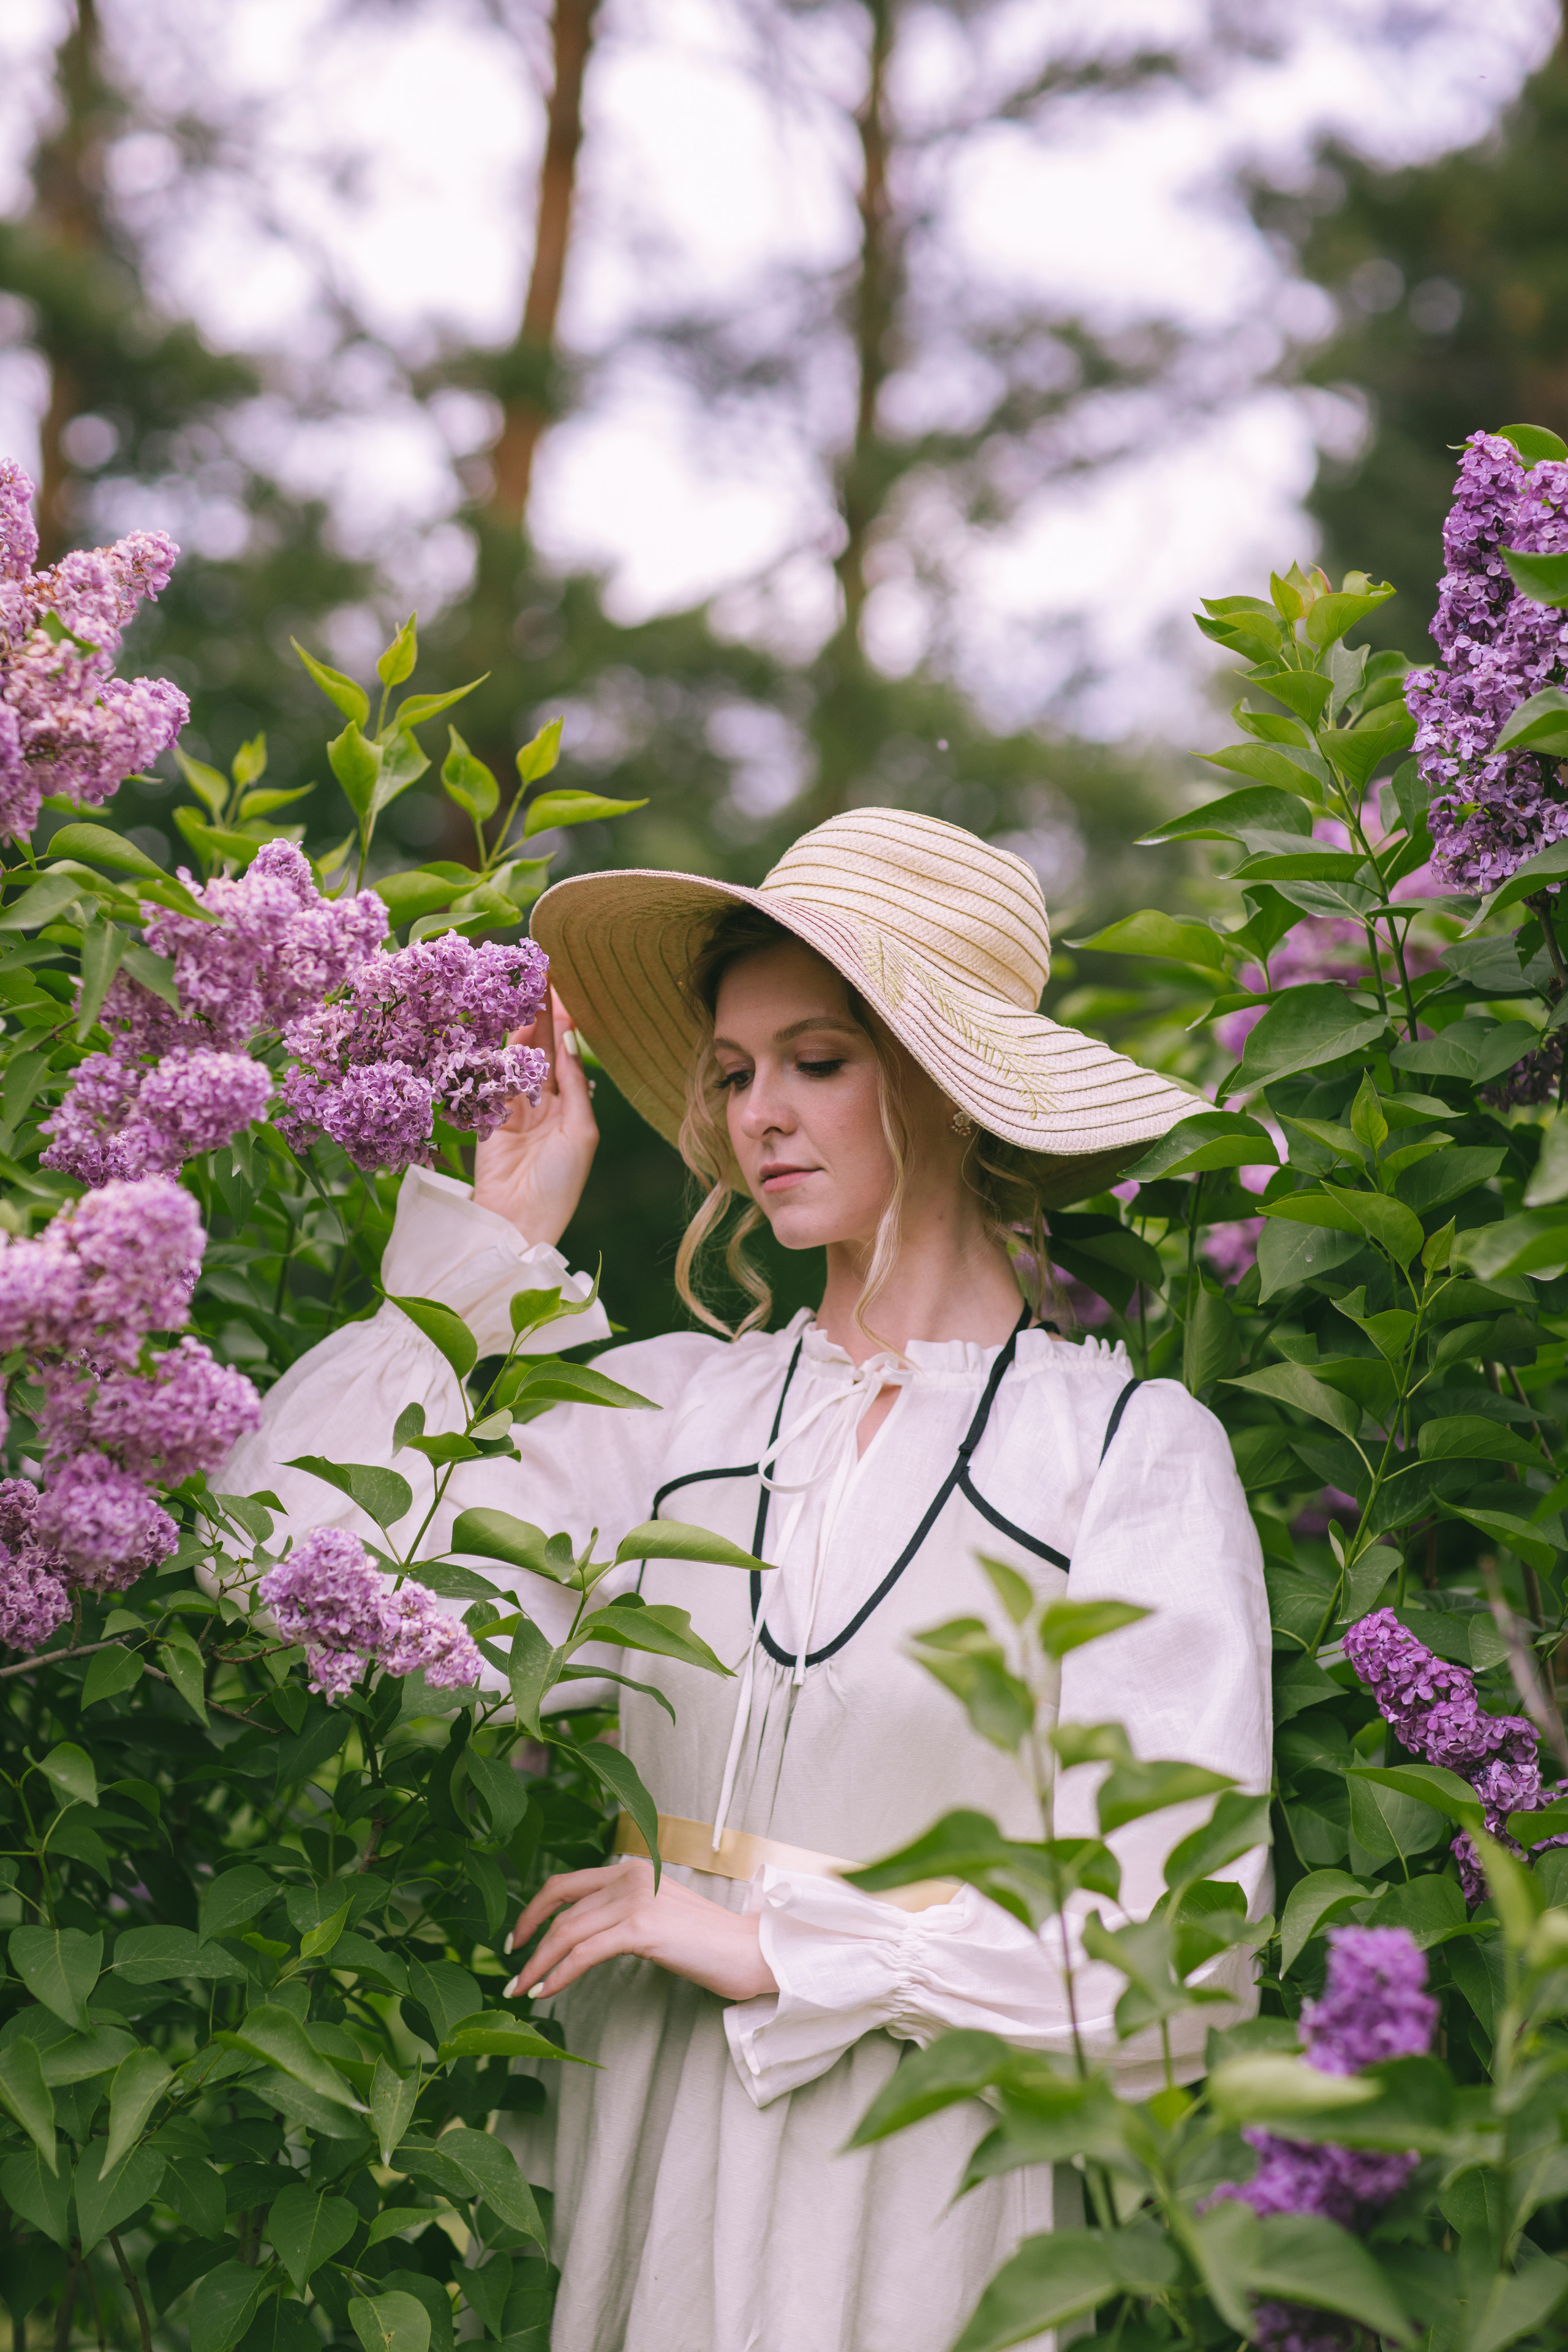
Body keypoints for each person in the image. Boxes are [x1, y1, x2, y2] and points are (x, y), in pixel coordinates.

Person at [223, 807, 1272, 2352]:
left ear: (940, 1080)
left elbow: (1177, 1962)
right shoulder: (668, 1414)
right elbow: (286, 1566)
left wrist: (779, 1937)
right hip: (639, 2149)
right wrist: (496, 1244)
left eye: (817, 1059)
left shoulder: (1120, 1451)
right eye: (732, 1073)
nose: (758, 1114)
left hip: (922, 2178)